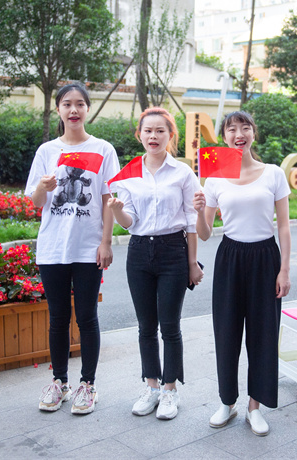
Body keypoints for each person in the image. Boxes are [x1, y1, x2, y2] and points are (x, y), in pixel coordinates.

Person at [193, 111, 291, 436]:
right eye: (232, 129)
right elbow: (205, 233)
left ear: (253, 133)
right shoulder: (215, 178)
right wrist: (199, 212)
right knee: (227, 333)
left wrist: (284, 270)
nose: (239, 134)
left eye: (245, 127)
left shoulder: (273, 173)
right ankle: (227, 402)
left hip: (266, 257)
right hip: (230, 257)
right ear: (224, 137)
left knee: (263, 335)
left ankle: (255, 406)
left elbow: (285, 227)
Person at [25, 83, 119, 414]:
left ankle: (87, 384)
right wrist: (43, 186)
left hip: (88, 248)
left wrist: (105, 242)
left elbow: (108, 199)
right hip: (53, 247)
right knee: (58, 317)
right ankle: (60, 382)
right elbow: (36, 202)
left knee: (87, 316)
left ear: (87, 109)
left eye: (80, 104)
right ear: (59, 110)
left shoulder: (103, 149)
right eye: (67, 104)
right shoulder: (47, 151)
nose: (74, 109)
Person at [108, 107, 204, 420]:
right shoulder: (129, 174)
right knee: (146, 326)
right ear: (139, 135)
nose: (153, 136)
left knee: (170, 325)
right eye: (148, 131)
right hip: (138, 252)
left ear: (170, 135)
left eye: (160, 131)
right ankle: (151, 387)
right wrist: (118, 211)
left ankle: (170, 389)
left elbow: (191, 220)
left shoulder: (182, 173)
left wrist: (193, 263)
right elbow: (129, 221)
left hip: (173, 250)